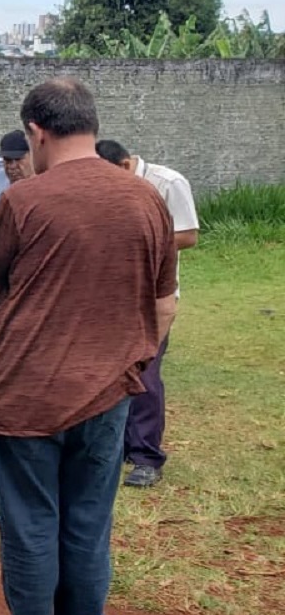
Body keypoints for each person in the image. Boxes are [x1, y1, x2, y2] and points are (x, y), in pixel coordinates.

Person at [0, 77, 177, 615]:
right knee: (87, 524)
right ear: (91, 124)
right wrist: (133, 364)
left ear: (37, 132)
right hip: (106, 395)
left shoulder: (25, 201)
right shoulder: (145, 200)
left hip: (26, 393)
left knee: (30, 523)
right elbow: (163, 305)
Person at [95, 140, 201, 488]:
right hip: (113, 296)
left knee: (146, 372)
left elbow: (188, 235)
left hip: (153, 297)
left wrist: (138, 241)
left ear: (125, 165)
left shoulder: (168, 183)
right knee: (112, 372)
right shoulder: (106, 184)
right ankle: (122, 446)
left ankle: (146, 458)